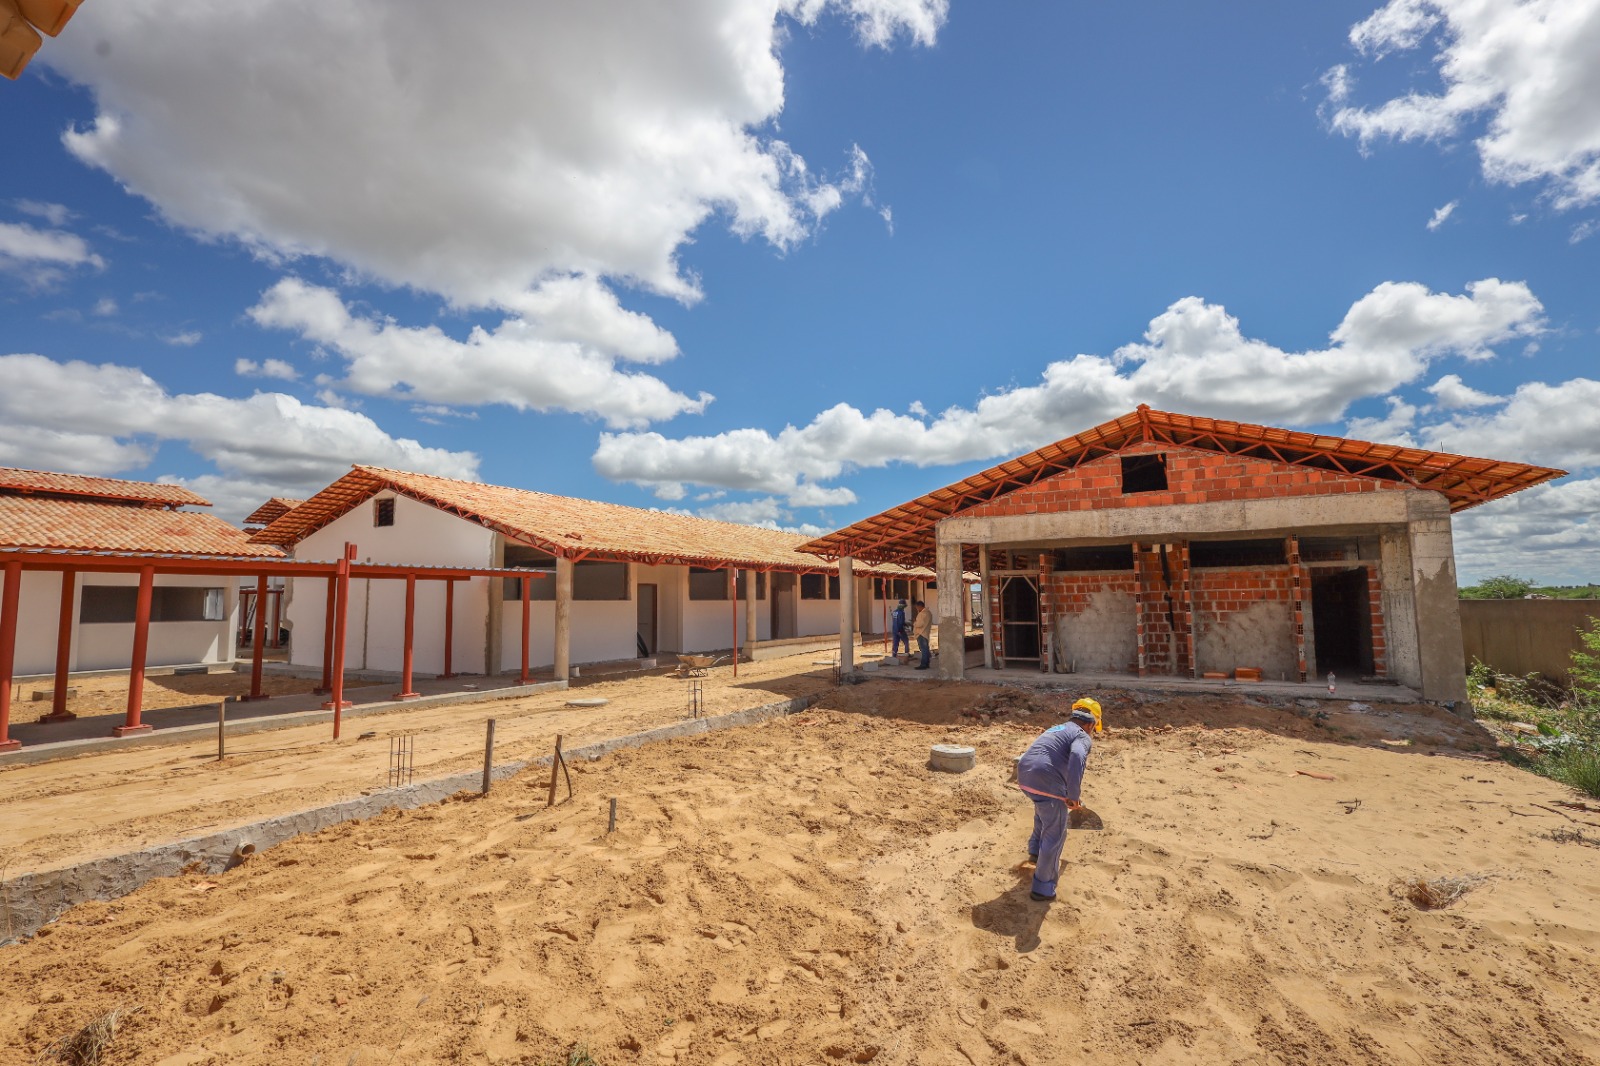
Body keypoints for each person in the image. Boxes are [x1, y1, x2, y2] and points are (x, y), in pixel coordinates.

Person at [1016, 700, 1100, 902]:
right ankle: (1043, 888)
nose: (1092, 733)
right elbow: (1078, 756)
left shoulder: (1058, 728)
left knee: (1044, 810)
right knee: (1055, 834)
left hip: (1025, 775)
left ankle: (1035, 852)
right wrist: (1073, 796)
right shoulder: (1082, 735)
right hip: (1046, 779)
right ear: (1090, 724)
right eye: (1094, 730)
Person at [911, 599, 932, 669]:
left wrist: (914, 622)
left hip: (921, 634)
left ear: (919, 606)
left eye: (917, 607)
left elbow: (920, 624)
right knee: (925, 649)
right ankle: (927, 663)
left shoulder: (922, 614)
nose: (917, 609)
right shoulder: (928, 612)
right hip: (925, 633)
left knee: (923, 650)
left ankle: (923, 665)